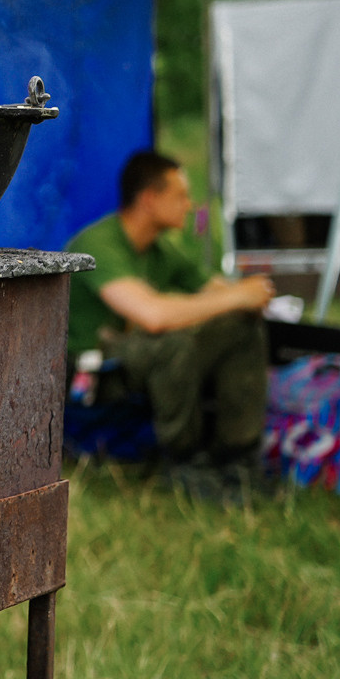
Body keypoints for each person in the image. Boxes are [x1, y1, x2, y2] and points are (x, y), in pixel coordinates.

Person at [65, 150, 272, 501]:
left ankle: (236, 457)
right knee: (173, 342)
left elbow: (218, 292)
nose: (189, 206)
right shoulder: (98, 244)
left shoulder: (160, 250)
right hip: (92, 376)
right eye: (180, 195)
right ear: (148, 199)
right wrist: (238, 297)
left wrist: (247, 298)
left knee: (240, 327)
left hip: (135, 356)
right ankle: (184, 463)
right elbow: (153, 316)